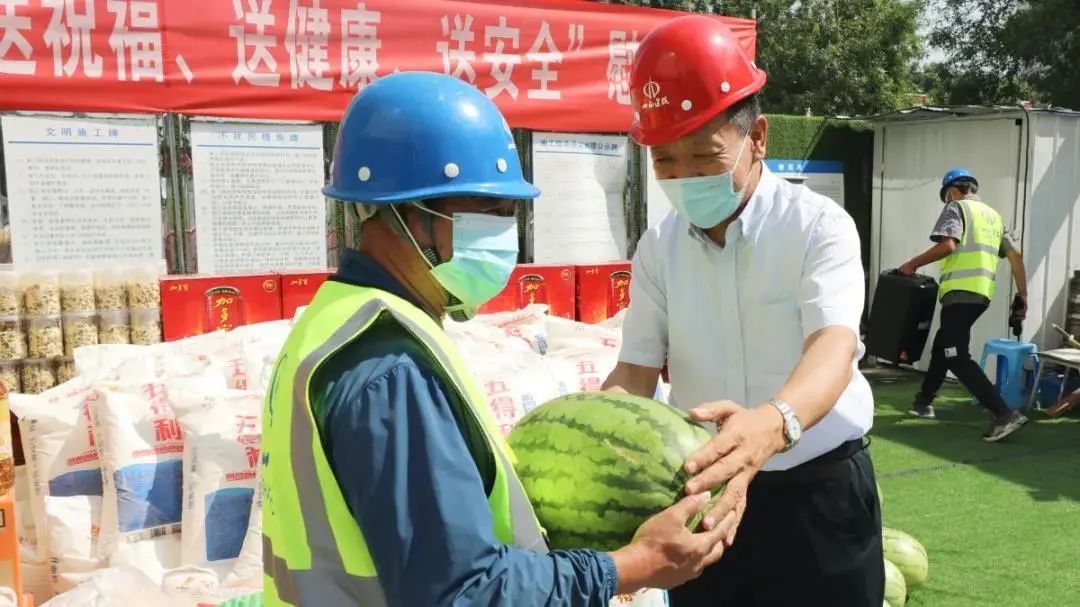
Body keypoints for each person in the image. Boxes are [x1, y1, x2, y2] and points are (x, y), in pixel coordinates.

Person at [260, 71, 736, 607]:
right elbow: (463, 591)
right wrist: (627, 567)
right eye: (491, 214)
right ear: (409, 213)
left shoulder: (335, 319)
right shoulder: (390, 368)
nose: (506, 233)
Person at [602, 16, 883, 607]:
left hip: (818, 493)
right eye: (665, 163)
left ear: (757, 138)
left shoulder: (817, 226)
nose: (682, 178)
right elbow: (634, 372)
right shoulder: (659, 247)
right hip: (705, 498)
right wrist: (596, 432)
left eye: (703, 157)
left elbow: (833, 345)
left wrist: (776, 421)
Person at [899, 167, 1030, 440]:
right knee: (944, 344)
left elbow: (948, 246)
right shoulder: (994, 217)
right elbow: (1016, 257)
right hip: (981, 295)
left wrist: (912, 264)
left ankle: (1003, 414)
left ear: (953, 190)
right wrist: (1023, 296)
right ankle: (923, 403)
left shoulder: (956, 207)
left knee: (955, 354)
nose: (947, 200)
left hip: (959, 293)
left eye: (947, 196)